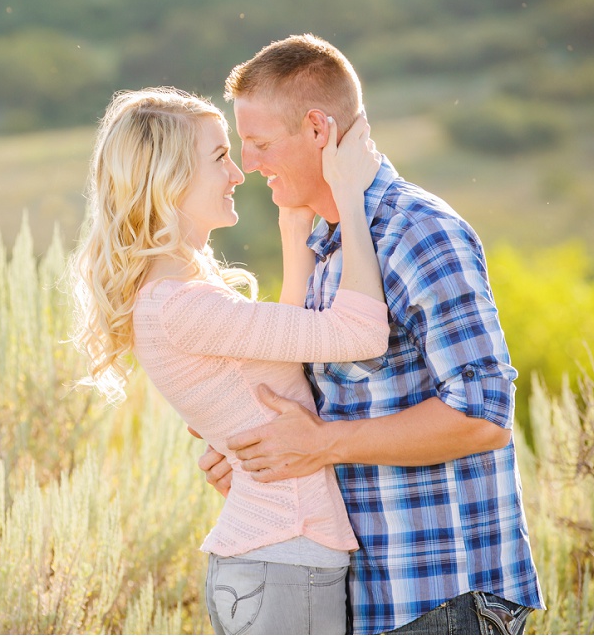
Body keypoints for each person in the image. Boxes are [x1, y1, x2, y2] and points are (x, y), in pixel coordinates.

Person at [198, 34, 545, 635]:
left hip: (441, 596)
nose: (248, 164)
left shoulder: (420, 233)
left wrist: (320, 444)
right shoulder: (326, 246)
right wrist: (254, 451)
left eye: (258, 143)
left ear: (316, 130)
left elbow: (485, 416)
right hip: (369, 594)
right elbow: (317, 411)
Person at [70, 86, 391, 634]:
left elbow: (285, 347)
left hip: (275, 561)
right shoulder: (182, 305)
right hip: (283, 559)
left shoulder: (179, 293)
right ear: (168, 179)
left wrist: (294, 229)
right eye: (220, 157)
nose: (239, 173)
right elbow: (361, 333)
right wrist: (350, 194)